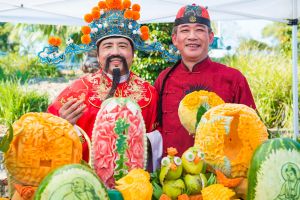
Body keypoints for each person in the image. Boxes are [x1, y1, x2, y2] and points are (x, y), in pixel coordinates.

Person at [47, 0, 162, 170]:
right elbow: (46, 130)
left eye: (122, 46)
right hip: (86, 183)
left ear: (133, 53)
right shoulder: (78, 91)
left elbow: (163, 136)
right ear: (99, 53)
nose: (115, 52)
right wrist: (60, 124)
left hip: (134, 186)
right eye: (108, 46)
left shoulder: (149, 94)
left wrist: (147, 139)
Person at [154, 4, 256, 157]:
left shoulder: (233, 78)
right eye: (185, 30)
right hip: (171, 175)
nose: (192, 36)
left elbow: (252, 130)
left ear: (210, 37)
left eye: (200, 30)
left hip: (220, 177)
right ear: (175, 39)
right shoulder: (164, 79)